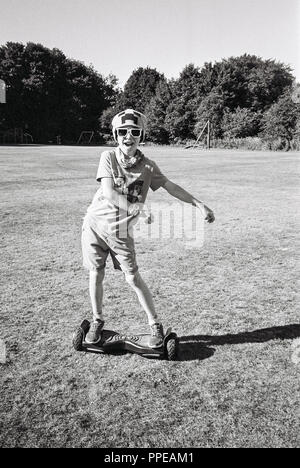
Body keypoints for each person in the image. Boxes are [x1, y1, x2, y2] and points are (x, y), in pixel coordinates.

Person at [82, 109, 215, 347]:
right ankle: (97, 321)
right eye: (123, 132)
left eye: (134, 132)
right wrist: (136, 209)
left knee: (132, 278)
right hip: (94, 226)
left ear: (141, 134)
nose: (128, 136)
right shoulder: (108, 158)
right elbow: (109, 192)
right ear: (116, 134)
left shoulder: (148, 167)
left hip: (120, 233)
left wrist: (198, 204)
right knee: (96, 274)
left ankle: (155, 324)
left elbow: (171, 186)